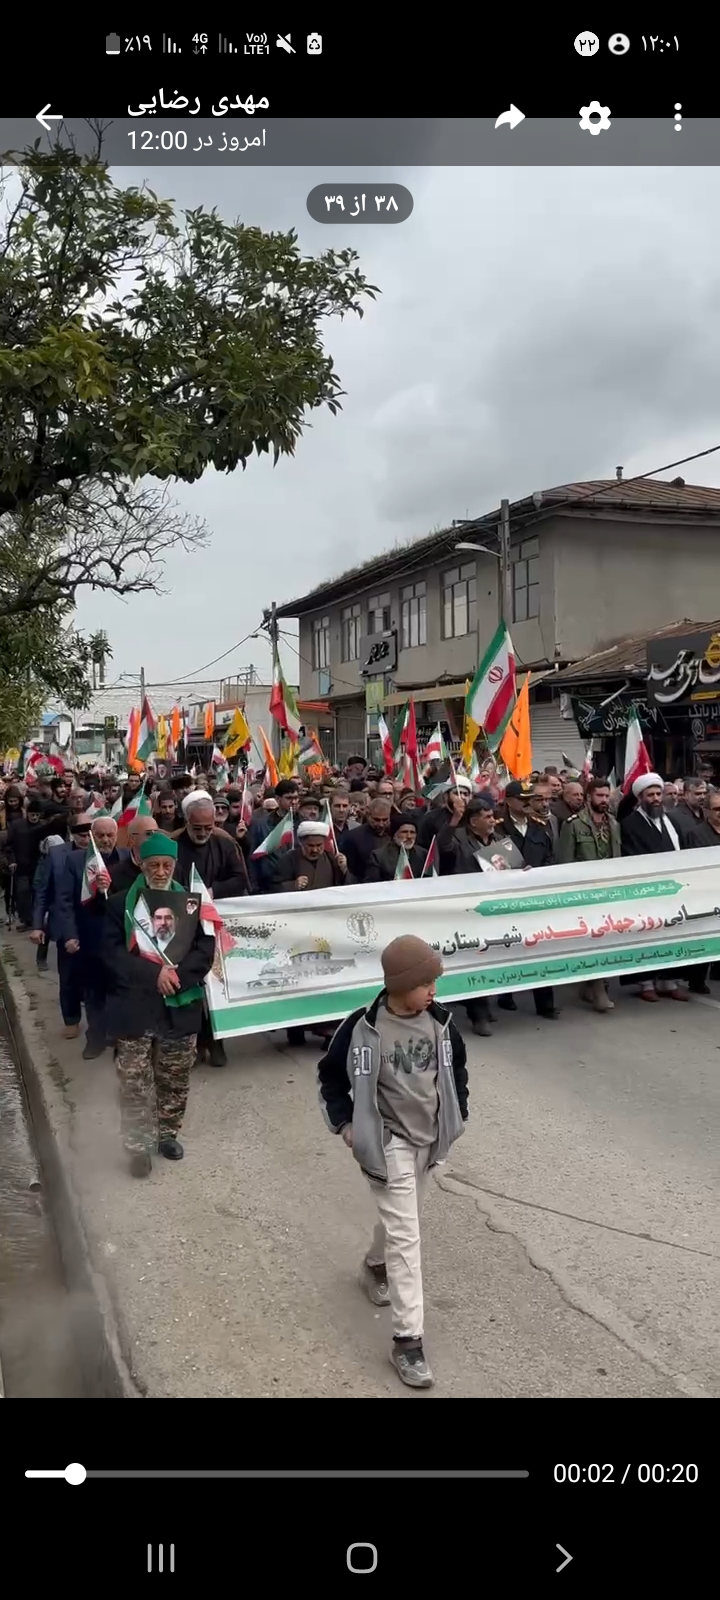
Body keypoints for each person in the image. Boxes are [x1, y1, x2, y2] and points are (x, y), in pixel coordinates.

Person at [318, 935, 468, 1389]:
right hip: (388, 1144)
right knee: (407, 1238)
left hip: (429, 1142)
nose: (434, 990)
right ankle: (408, 1342)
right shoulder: (363, 1028)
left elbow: (457, 1071)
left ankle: (374, 1266)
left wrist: (458, 1115)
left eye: (435, 981)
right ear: (401, 984)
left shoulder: (441, 1023)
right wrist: (347, 1125)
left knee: (403, 1222)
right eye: (426, 983)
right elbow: (329, 1077)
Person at [102, 835, 215, 1176]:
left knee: (175, 1075)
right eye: (154, 865)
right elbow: (112, 954)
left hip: (181, 1004)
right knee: (134, 1079)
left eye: (167, 865)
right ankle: (137, 1145)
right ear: (141, 864)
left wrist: (177, 976)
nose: (161, 872)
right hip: (135, 1005)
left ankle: (167, 1134)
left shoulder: (193, 905)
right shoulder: (119, 905)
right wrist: (154, 975)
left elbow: (205, 949)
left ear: (175, 865)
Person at [437, 795, 524, 1036]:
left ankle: (484, 1002)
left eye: (492, 816)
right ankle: (479, 1014)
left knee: (492, 956)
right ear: (473, 821)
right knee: (475, 957)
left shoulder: (499, 840)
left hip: (494, 909)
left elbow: (514, 867)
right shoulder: (459, 838)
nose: (492, 820)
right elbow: (443, 846)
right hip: (468, 909)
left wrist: (523, 871)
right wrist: (454, 819)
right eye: (486, 817)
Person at [175, 792, 249, 1067]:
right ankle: (195, 1043)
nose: (204, 833)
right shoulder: (174, 844)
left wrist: (212, 891)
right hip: (183, 923)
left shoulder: (224, 842)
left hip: (216, 924)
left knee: (216, 986)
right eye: (198, 828)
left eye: (209, 827)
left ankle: (217, 1041)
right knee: (190, 986)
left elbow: (239, 878)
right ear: (186, 822)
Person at [59, 814, 127, 1057]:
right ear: (91, 837)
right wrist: (70, 934)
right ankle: (95, 1038)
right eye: (100, 835)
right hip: (90, 936)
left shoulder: (126, 858)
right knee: (93, 991)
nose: (106, 840)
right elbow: (65, 901)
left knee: (119, 989)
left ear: (117, 835)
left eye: (110, 835)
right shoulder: (75, 860)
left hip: (120, 938)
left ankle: (119, 1037)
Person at [620, 772, 688, 1003]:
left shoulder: (670, 821)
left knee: (672, 933)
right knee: (647, 936)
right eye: (650, 795)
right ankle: (646, 982)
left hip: (672, 890)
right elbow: (631, 857)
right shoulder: (630, 824)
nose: (656, 798)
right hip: (646, 891)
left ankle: (669, 981)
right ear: (641, 798)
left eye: (658, 794)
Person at [557, 777, 621, 1013]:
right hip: (583, 894)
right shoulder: (573, 824)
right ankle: (598, 989)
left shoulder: (613, 823)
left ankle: (589, 986)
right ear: (588, 797)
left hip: (608, 892)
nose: (604, 800)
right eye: (599, 796)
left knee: (606, 940)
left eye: (607, 796)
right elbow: (564, 863)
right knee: (593, 940)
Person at [270, 820, 349, 892]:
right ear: (301, 842)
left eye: (319, 845)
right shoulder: (288, 860)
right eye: (310, 845)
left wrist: (344, 870)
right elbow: (273, 888)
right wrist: (293, 885)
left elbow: (346, 887)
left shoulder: (331, 858)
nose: (315, 850)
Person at [30, 833, 67, 976]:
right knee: (45, 931)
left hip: (61, 902)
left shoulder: (66, 859)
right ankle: (41, 958)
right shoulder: (43, 863)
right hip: (49, 904)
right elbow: (38, 884)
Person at [365, 815, 427, 881]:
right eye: (404, 832)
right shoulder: (378, 856)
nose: (409, 836)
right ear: (395, 835)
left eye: (412, 832)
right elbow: (371, 883)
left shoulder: (422, 854)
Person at [343, 798, 393, 880]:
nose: (381, 824)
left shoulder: (395, 833)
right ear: (368, 816)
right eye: (377, 820)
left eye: (385, 820)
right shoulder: (354, 837)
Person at [110, 814, 159, 895]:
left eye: (157, 834)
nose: (154, 838)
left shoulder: (171, 869)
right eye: (148, 834)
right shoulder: (115, 874)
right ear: (132, 839)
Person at [417, 778, 472, 851]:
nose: (462, 797)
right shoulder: (430, 818)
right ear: (446, 796)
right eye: (457, 793)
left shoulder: (473, 818)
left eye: (466, 794)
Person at [497, 779, 533, 852]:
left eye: (529, 798)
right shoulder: (498, 828)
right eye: (522, 799)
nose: (527, 802)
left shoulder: (538, 825)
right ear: (508, 801)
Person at [670, 777, 708, 845]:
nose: (703, 797)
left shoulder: (709, 813)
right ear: (686, 795)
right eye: (698, 794)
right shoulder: (673, 816)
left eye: (704, 793)